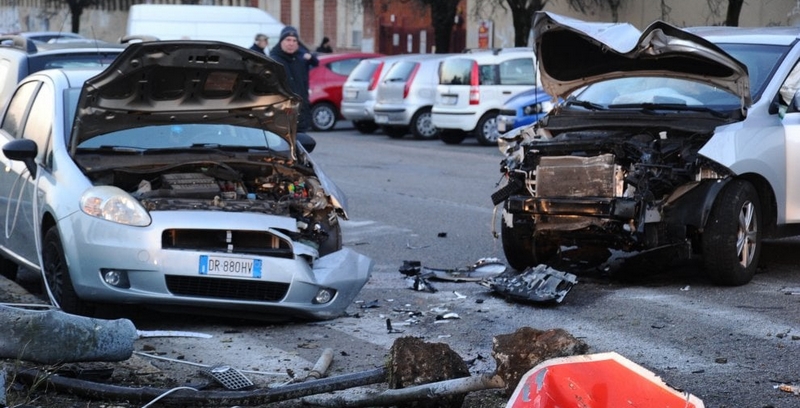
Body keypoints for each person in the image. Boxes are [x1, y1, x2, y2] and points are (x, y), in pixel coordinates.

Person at [270, 26, 319, 132]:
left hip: (301, 113)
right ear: (281, 42)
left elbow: (316, 62)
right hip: (282, 115)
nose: (291, 43)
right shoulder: (274, 61)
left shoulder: (300, 59)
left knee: (302, 145)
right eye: (288, 40)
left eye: (294, 40)